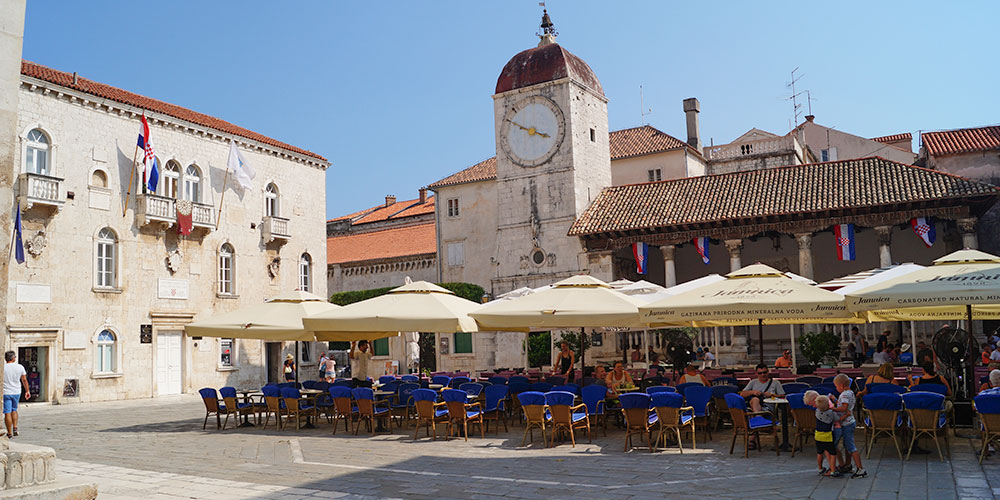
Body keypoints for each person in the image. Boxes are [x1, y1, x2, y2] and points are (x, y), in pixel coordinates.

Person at [831, 374, 866, 477]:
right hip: (850, 421)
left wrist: (832, 408)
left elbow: (844, 408)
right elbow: (843, 404)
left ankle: (860, 469)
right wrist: (835, 400)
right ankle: (847, 464)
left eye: (836, 386)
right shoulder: (850, 393)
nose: (836, 389)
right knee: (847, 445)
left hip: (846, 423)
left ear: (841, 385)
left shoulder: (844, 395)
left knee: (850, 446)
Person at [4, 351, 29, 438]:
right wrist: (27, 391)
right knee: (14, 410)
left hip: (6, 392)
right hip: (16, 391)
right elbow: (24, 380)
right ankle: (15, 427)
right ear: (13, 358)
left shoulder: (3, 368)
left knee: (7, 412)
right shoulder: (20, 367)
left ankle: (9, 432)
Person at [815, 395, 839, 477]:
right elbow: (837, 419)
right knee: (832, 453)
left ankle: (820, 468)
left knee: (819, 452)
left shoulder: (817, 411)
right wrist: (846, 415)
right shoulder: (831, 413)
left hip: (818, 435)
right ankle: (833, 470)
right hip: (828, 436)